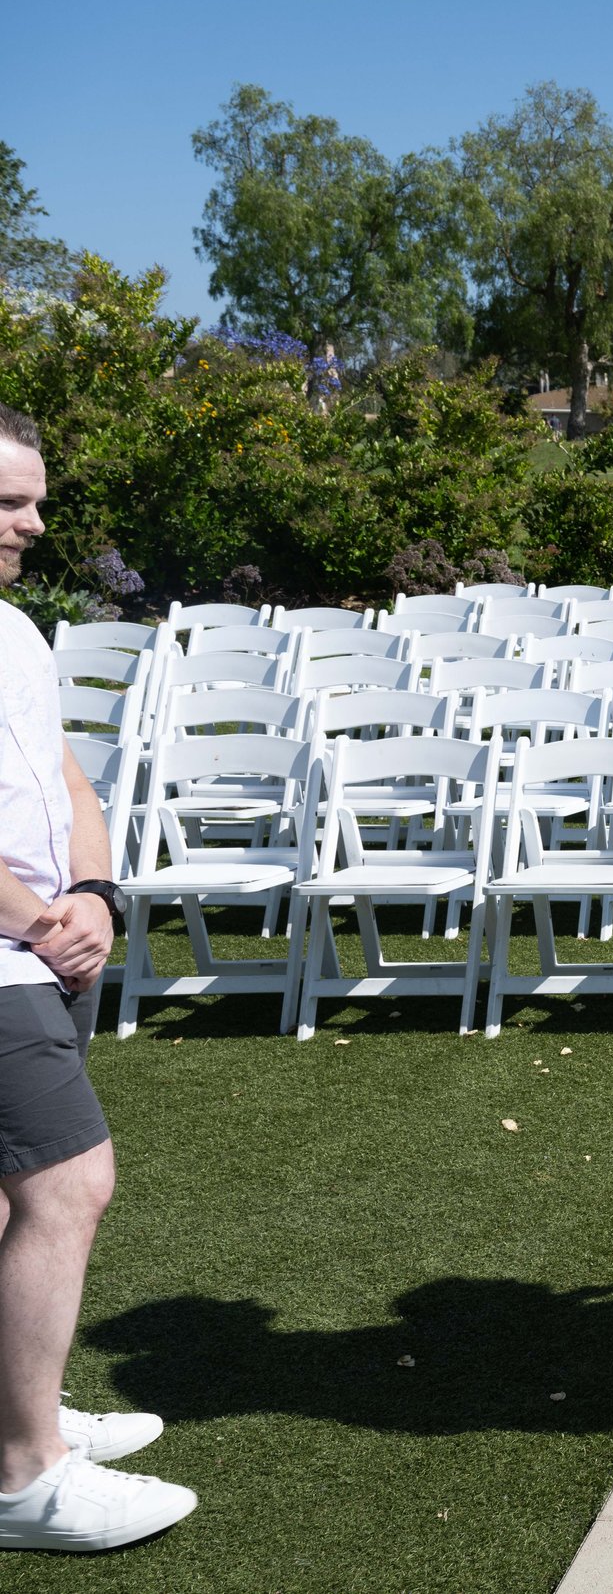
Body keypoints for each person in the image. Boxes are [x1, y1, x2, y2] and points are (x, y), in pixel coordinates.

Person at [0, 404, 199, 1553]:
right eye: (9, 502)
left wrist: (96, 892)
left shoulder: (16, 632)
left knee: (15, 1193)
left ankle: (16, 1412)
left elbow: (66, 773)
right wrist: (36, 923)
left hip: (44, 943)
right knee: (68, 1185)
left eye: (34, 499)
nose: (33, 523)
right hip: (5, 959)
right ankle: (28, 1474)